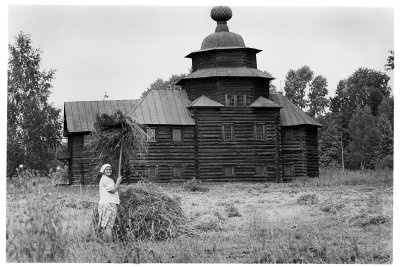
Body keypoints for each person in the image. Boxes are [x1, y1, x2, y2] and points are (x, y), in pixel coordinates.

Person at [98, 164, 122, 243]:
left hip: (109, 203)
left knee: (107, 225)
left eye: (110, 169)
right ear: (103, 171)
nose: (109, 171)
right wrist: (118, 182)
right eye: (107, 170)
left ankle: (106, 243)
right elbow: (113, 190)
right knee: (108, 226)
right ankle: (108, 244)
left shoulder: (107, 179)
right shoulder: (106, 179)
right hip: (108, 205)